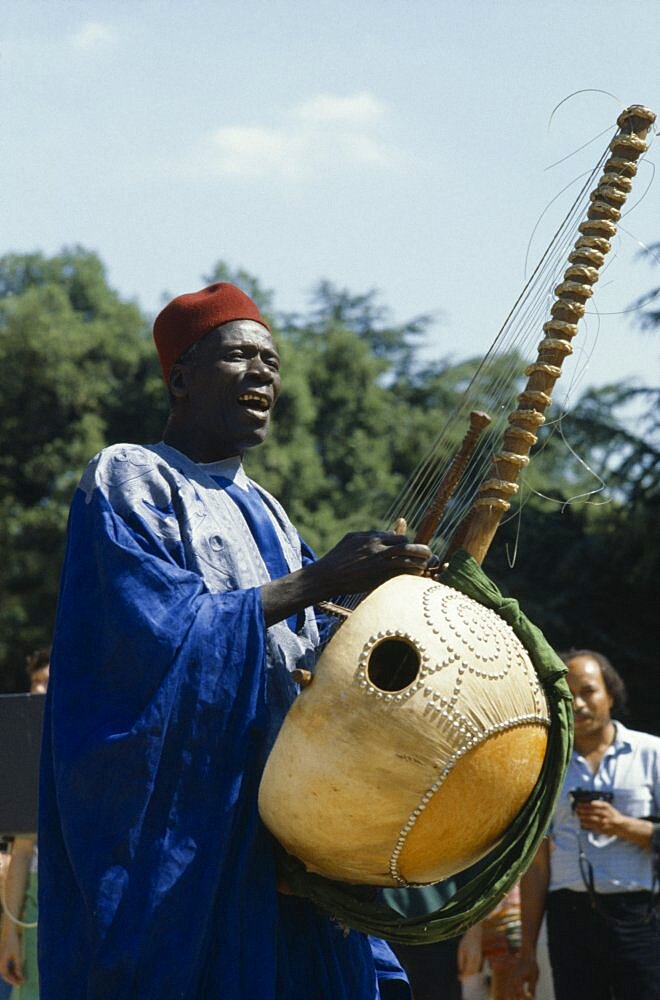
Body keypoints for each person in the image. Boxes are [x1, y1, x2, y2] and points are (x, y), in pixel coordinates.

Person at [39, 282, 436, 999]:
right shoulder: (131, 475)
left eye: (272, 361)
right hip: (188, 836)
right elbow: (154, 637)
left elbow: (310, 654)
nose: (262, 373)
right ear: (180, 378)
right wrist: (321, 579)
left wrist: (381, 607)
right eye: (239, 356)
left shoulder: (269, 509)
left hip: (284, 824)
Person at [512, 649, 660, 1000]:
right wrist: (527, 952)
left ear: (610, 694)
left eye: (588, 691)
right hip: (569, 920)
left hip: (640, 917)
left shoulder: (651, 754)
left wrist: (623, 826)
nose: (577, 703)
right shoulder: (545, 767)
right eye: (567, 694)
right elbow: (535, 867)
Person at [0, 648, 50, 999]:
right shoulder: (28, 750)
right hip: (36, 901)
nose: (41, 690)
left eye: (50, 682)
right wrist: (11, 934)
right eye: (37, 682)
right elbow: (21, 851)